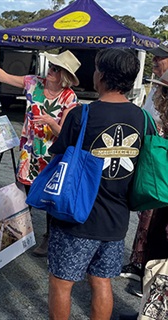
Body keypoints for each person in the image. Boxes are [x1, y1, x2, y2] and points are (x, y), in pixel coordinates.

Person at [47, 48, 156, 319]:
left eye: (96, 70)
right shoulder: (144, 119)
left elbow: (59, 152)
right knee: (102, 281)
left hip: (77, 217)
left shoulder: (82, 115)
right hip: (117, 221)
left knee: (62, 283)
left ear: (103, 76)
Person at [0, 50, 80, 256]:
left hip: (51, 154)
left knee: (50, 198)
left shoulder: (69, 97)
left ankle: (48, 238)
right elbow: (4, 76)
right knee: (25, 193)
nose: (50, 70)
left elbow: (63, 134)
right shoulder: (33, 82)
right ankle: (17, 235)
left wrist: (50, 121)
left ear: (64, 76)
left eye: (56, 69)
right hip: (29, 151)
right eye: (51, 66)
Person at [120, 41, 168, 292]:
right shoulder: (154, 90)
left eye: (160, 57)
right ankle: (141, 270)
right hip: (154, 168)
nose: (155, 61)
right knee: (149, 225)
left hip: (162, 172)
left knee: (159, 233)